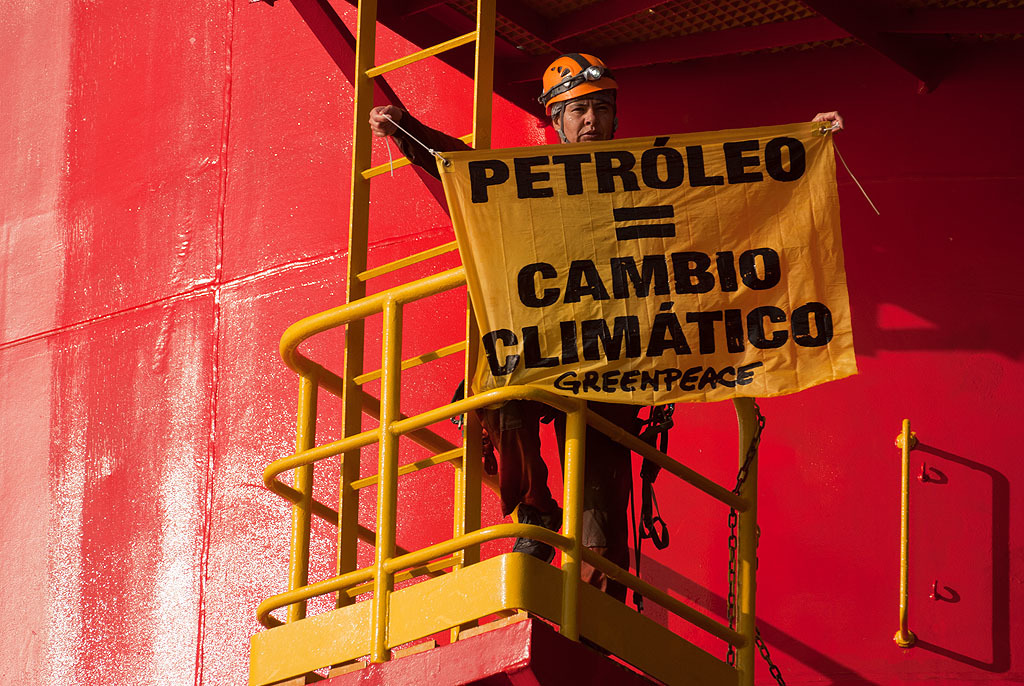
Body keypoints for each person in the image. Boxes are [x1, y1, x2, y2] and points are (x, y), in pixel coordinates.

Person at [368, 53, 843, 604]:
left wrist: (806, 145)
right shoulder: (529, 187)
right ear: (555, 120)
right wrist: (407, 130)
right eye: (577, 110)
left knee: (601, 512)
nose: (590, 119)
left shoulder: (647, 182)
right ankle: (537, 510)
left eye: (599, 108)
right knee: (498, 397)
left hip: (617, 362)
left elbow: (728, 192)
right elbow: (465, 168)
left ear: (615, 117)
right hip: (545, 353)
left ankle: (595, 624)